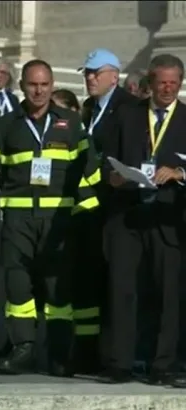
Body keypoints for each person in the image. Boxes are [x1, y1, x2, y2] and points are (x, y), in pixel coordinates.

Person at [0, 59, 100, 376]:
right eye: (32, 84)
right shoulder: (6, 124)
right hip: (18, 216)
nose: (38, 91)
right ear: (21, 86)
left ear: (52, 86)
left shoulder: (70, 122)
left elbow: (86, 167)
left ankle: (59, 354)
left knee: (58, 288)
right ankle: (23, 347)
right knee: (17, 282)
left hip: (57, 218)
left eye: (44, 85)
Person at [98, 54, 186, 387]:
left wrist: (179, 173)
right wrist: (115, 178)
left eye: (173, 83)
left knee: (168, 293)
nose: (167, 88)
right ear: (149, 82)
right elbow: (107, 158)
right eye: (161, 82)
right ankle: (120, 362)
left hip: (168, 216)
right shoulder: (128, 115)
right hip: (129, 214)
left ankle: (163, 364)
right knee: (122, 289)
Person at [74, 49, 138, 374]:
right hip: (89, 209)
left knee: (116, 282)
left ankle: (117, 357)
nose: (89, 78)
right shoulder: (88, 109)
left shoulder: (128, 108)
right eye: (87, 73)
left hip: (116, 207)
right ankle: (90, 352)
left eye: (96, 73)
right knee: (89, 280)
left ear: (114, 75)